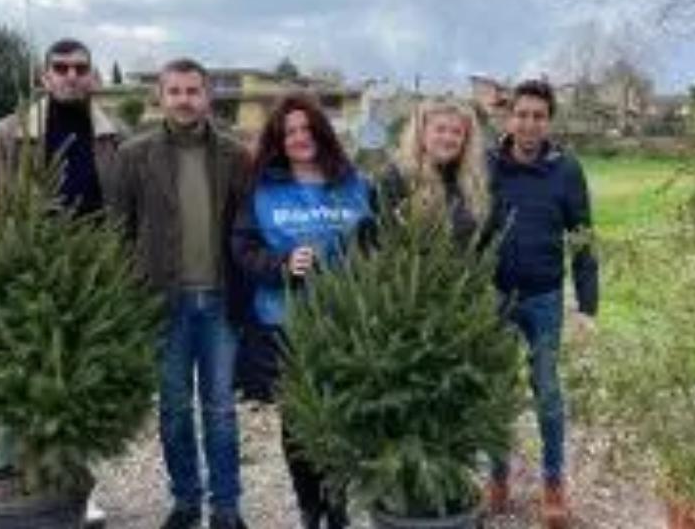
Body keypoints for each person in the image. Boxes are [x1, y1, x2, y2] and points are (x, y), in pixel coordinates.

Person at [0, 37, 122, 528]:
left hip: (91, 283)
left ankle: (75, 490)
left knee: (77, 388)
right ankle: (15, 482)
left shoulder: (112, 136)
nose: (71, 76)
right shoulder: (9, 134)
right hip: (23, 280)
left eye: (80, 68)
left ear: (92, 76)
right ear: (44, 76)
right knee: (17, 387)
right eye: (61, 67)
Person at [110, 58, 251, 529]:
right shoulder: (134, 156)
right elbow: (119, 233)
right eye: (175, 91)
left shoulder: (235, 155)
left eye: (193, 91)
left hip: (219, 301)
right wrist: (127, 298)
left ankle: (226, 507)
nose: (184, 100)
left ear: (207, 96)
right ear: (161, 96)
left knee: (221, 410)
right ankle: (186, 501)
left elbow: (247, 230)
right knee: (173, 410)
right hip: (160, 303)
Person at [231, 93, 374, 529]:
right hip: (285, 324)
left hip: (345, 321)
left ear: (321, 133)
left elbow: (376, 241)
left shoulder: (353, 183)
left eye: (307, 128)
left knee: (342, 414)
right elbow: (243, 249)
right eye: (289, 131)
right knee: (298, 421)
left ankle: (338, 506)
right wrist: (282, 264)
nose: (299, 137)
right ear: (279, 140)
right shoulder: (262, 190)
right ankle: (309, 507)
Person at [487, 80, 599, 529]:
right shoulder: (488, 164)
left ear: (548, 121)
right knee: (495, 391)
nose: (529, 124)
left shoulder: (566, 170)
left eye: (539, 116)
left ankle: (553, 483)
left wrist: (587, 307)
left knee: (547, 390)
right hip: (495, 297)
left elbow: (583, 238)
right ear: (509, 118)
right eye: (522, 114)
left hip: (545, 299)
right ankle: (497, 477)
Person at [378, 96, 490, 243]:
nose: (448, 138)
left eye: (457, 132)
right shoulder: (399, 177)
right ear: (422, 133)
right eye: (440, 129)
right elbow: (389, 239)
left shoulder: (471, 180)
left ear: (466, 140)